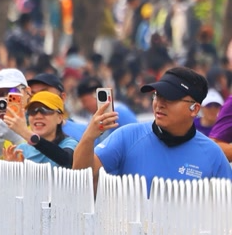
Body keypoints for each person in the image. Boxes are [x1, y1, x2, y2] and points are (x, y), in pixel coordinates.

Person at [74, 67, 232, 184]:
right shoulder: (127, 137)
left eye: (170, 98)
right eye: (157, 96)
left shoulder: (212, 154)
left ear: (194, 109)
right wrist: (89, 136)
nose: (159, 104)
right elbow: (80, 177)